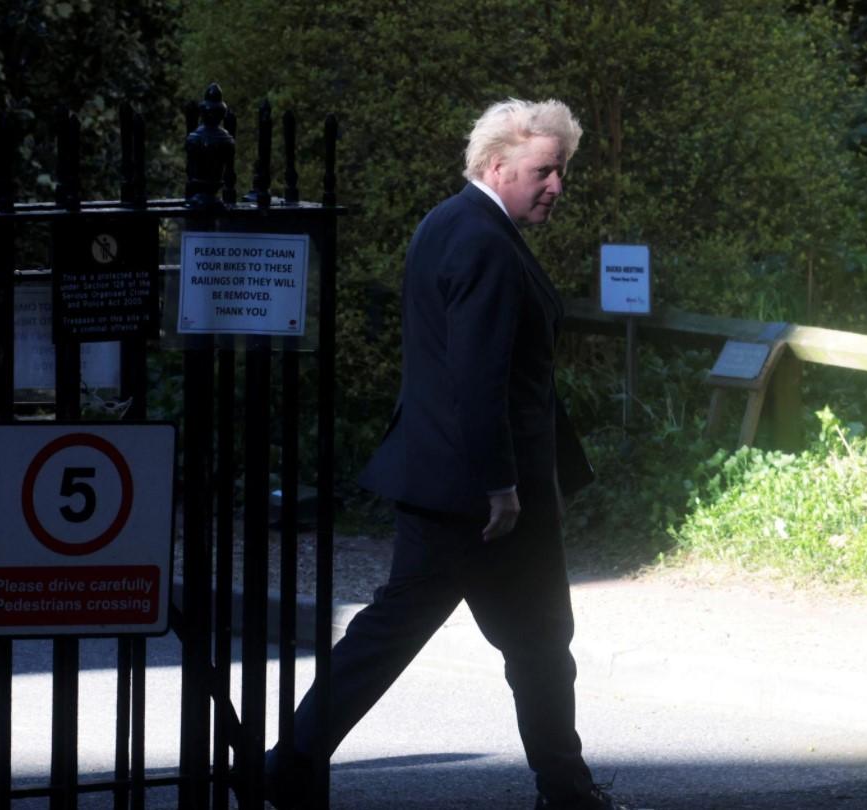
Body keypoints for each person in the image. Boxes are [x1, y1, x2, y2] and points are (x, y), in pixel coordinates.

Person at [265, 98, 619, 810]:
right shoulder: (485, 240)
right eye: (546, 170)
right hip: (484, 493)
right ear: (497, 164)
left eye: (563, 172)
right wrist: (500, 485)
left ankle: (292, 764)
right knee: (529, 644)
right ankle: (568, 793)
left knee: (470, 636)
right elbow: (476, 374)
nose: (558, 186)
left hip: (447, 479)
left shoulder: (448, 222)